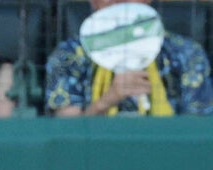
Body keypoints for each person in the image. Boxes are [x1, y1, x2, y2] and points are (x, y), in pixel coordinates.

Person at [45, 0, 212, 116]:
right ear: (92, 1)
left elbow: (197, 129)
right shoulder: (67, 55)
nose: (119, 1)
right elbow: (66, 136)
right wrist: (107, 100)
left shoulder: (186, 52)